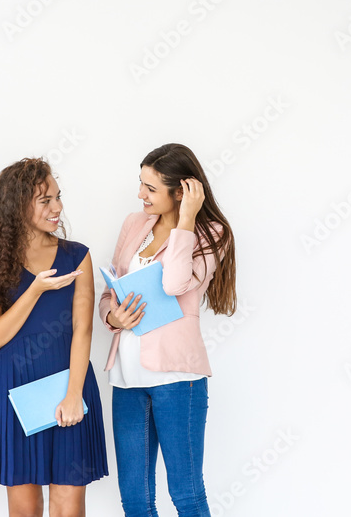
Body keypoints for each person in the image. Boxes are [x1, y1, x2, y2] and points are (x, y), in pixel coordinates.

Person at [98, 143, 237, 517]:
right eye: (141, 184)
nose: (140, 195)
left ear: (181, 191)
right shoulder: (134, 224)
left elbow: (176, 284)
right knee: (136, 500)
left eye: (151, 188)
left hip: (177, 377)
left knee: (187, 494)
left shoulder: (211, 233)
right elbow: (110, 290)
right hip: (127, 377)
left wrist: (186, 220)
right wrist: (113, 316)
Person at [0, 157, 107, 517]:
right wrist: (35, 289)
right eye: (45, 200)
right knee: (25, 508)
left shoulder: (77, 256)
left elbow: (83, 328)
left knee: (68, 506)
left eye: (58, 197)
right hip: (13, 391)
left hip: (70, 385)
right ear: (18, 206)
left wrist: (74, 395)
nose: (57, 208)